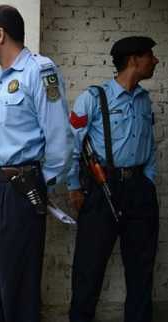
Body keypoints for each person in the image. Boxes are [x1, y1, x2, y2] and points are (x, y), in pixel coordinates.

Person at [0, 5, 71, 322]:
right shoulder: (1, 81)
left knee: (16, 285)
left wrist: (37, 184)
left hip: (17, 192)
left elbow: (59, 139)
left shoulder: (39, 71)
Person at [67, 37, 159, 322]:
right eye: (150, 56)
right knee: (88, 268)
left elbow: (150, 146)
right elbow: (71, 144)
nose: (155, 61)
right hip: (101, 188)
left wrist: (148, 182)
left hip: (139, 191)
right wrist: (74, 187)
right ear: (134, 60)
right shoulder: (93, 98)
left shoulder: (144, 100)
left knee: (141, 270)